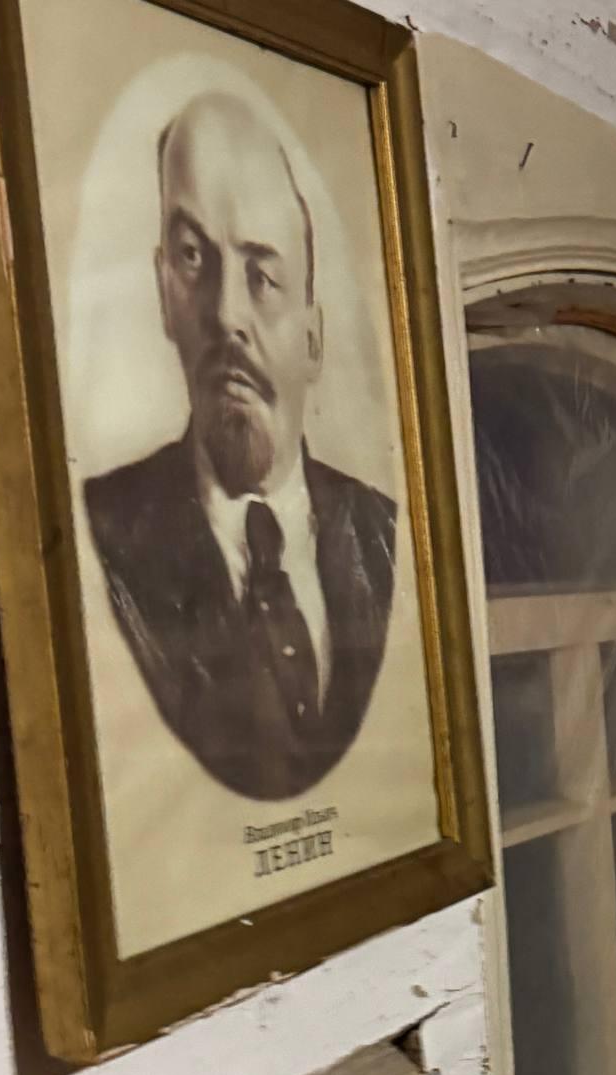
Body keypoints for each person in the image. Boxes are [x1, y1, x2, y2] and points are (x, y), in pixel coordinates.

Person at [84, 92, 395, 802]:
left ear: (313, 339)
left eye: (262, 275)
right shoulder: (99, 536)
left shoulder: (386, 536)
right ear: (164, 293)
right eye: (194, 257)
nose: (226, 314)